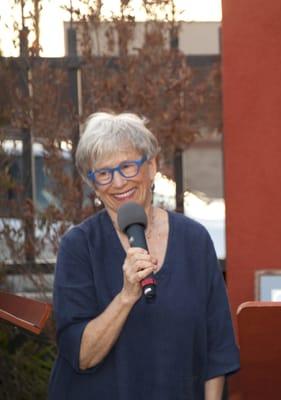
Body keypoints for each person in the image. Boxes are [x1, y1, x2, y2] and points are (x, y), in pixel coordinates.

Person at [48, 112, 239, 399]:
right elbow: (81, 355)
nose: (118, 182)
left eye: (127, 166)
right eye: (103, 173)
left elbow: (218, 348)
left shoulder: (194, 241)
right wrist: (126, 296)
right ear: (92, 184)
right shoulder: (79, 246)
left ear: (151, 166)